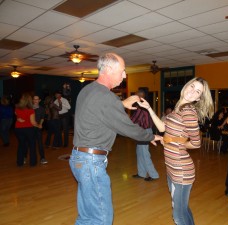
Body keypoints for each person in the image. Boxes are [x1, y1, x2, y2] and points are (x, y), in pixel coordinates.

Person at [69, 52, 163, 225]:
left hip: (79, 159)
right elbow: (127, 127)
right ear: (109, 69)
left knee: (87, 216)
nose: (125, 75)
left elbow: (98, 111)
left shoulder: (88, 90)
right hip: (91, 162)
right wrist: (151, 135)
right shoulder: (106, 97)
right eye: (123, 70)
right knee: (102, 218)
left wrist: (120, 104)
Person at [138, 77, 214, 225]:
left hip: (181, 169)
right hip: (172, 166)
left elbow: (196, 143)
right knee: (183, 209)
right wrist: (149, 109)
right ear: (186, 86)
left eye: (197, 91)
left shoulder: (188, 112)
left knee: (178, 216)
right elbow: (162, 128)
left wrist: (175, 142)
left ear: (199, 98)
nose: (192, 92)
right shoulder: (177, 109)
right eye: (192, 87)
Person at [131, 88, 159, 181]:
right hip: (142, 132)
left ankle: (154, 175)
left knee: (144, 154)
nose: (134, 96)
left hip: (145, 132)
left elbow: (133, 120)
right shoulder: (142, 106)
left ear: (140, 96)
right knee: (139, 153)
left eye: (136, 95)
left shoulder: (142, 107)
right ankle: (141, 173)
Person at [15, 93, 41, 167]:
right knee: (32, 145)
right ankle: (32, 163)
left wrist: (18, 118)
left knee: (21, 145)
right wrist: (39, 125)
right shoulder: (30, 110)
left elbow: (16, 114)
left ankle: (19, 163)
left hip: (18, 129)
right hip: (28, 129)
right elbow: (33, 122)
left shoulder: (17, 108)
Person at [32, 95, 47, 164]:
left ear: (39, 100)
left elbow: (42, 118)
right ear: (32, 100)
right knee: (29, 143)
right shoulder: (29, 108)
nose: (35, 101)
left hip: (37, 128)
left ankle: (42, 158)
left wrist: (40, 124)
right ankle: (25, 157)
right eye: (34, 99)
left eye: (37, 99)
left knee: (40, 143)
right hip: (30, 128)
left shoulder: (41, 109)